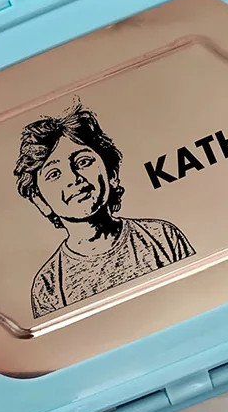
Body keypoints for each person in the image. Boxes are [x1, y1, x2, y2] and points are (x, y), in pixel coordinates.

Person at [13, 101, 195, 319]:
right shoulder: (49, 284)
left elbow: (196, 298)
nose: (73, 179)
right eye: (54, 174)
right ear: (40, 201)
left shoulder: (161, 236)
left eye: (83, 162)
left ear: (111, 173)